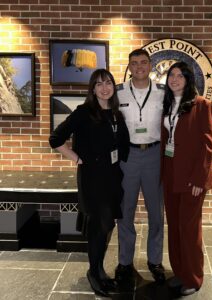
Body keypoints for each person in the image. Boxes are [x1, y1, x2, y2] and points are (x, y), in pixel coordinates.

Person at [49, 69, 130, 297]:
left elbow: (120, 146)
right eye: (99, 84)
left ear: (113, 87)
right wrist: (77, 158)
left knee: (108, 226)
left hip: (113, 178)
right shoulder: (84, 113)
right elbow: (55, 139)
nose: (104, 87)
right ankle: (94, 273)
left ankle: (99, 269)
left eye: (108, 83)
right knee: (98, 227)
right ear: (93, 89)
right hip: (93, 179)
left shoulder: (116, 114)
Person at [161, 62, 212, 296]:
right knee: (174, 226)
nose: (174, 79)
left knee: (189, 227)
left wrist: (198, 179)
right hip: (171, 172)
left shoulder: (202, 105)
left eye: (179, 76)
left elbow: (207, 145)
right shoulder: (166, 104)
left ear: (188, 79)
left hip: (192, 176)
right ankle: (180, 272)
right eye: (171, 75)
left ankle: (194, 277)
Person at [115, 48, 166, 284]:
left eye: (144, 63)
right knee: (125, 212)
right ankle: (125, 262)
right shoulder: (118, 92)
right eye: (134, 63)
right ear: (129, 66)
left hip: (154, 155)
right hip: (129, 158)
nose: (139, 67)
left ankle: (155, 260)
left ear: (151, 66)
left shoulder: (163, 93)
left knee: (156, 212)